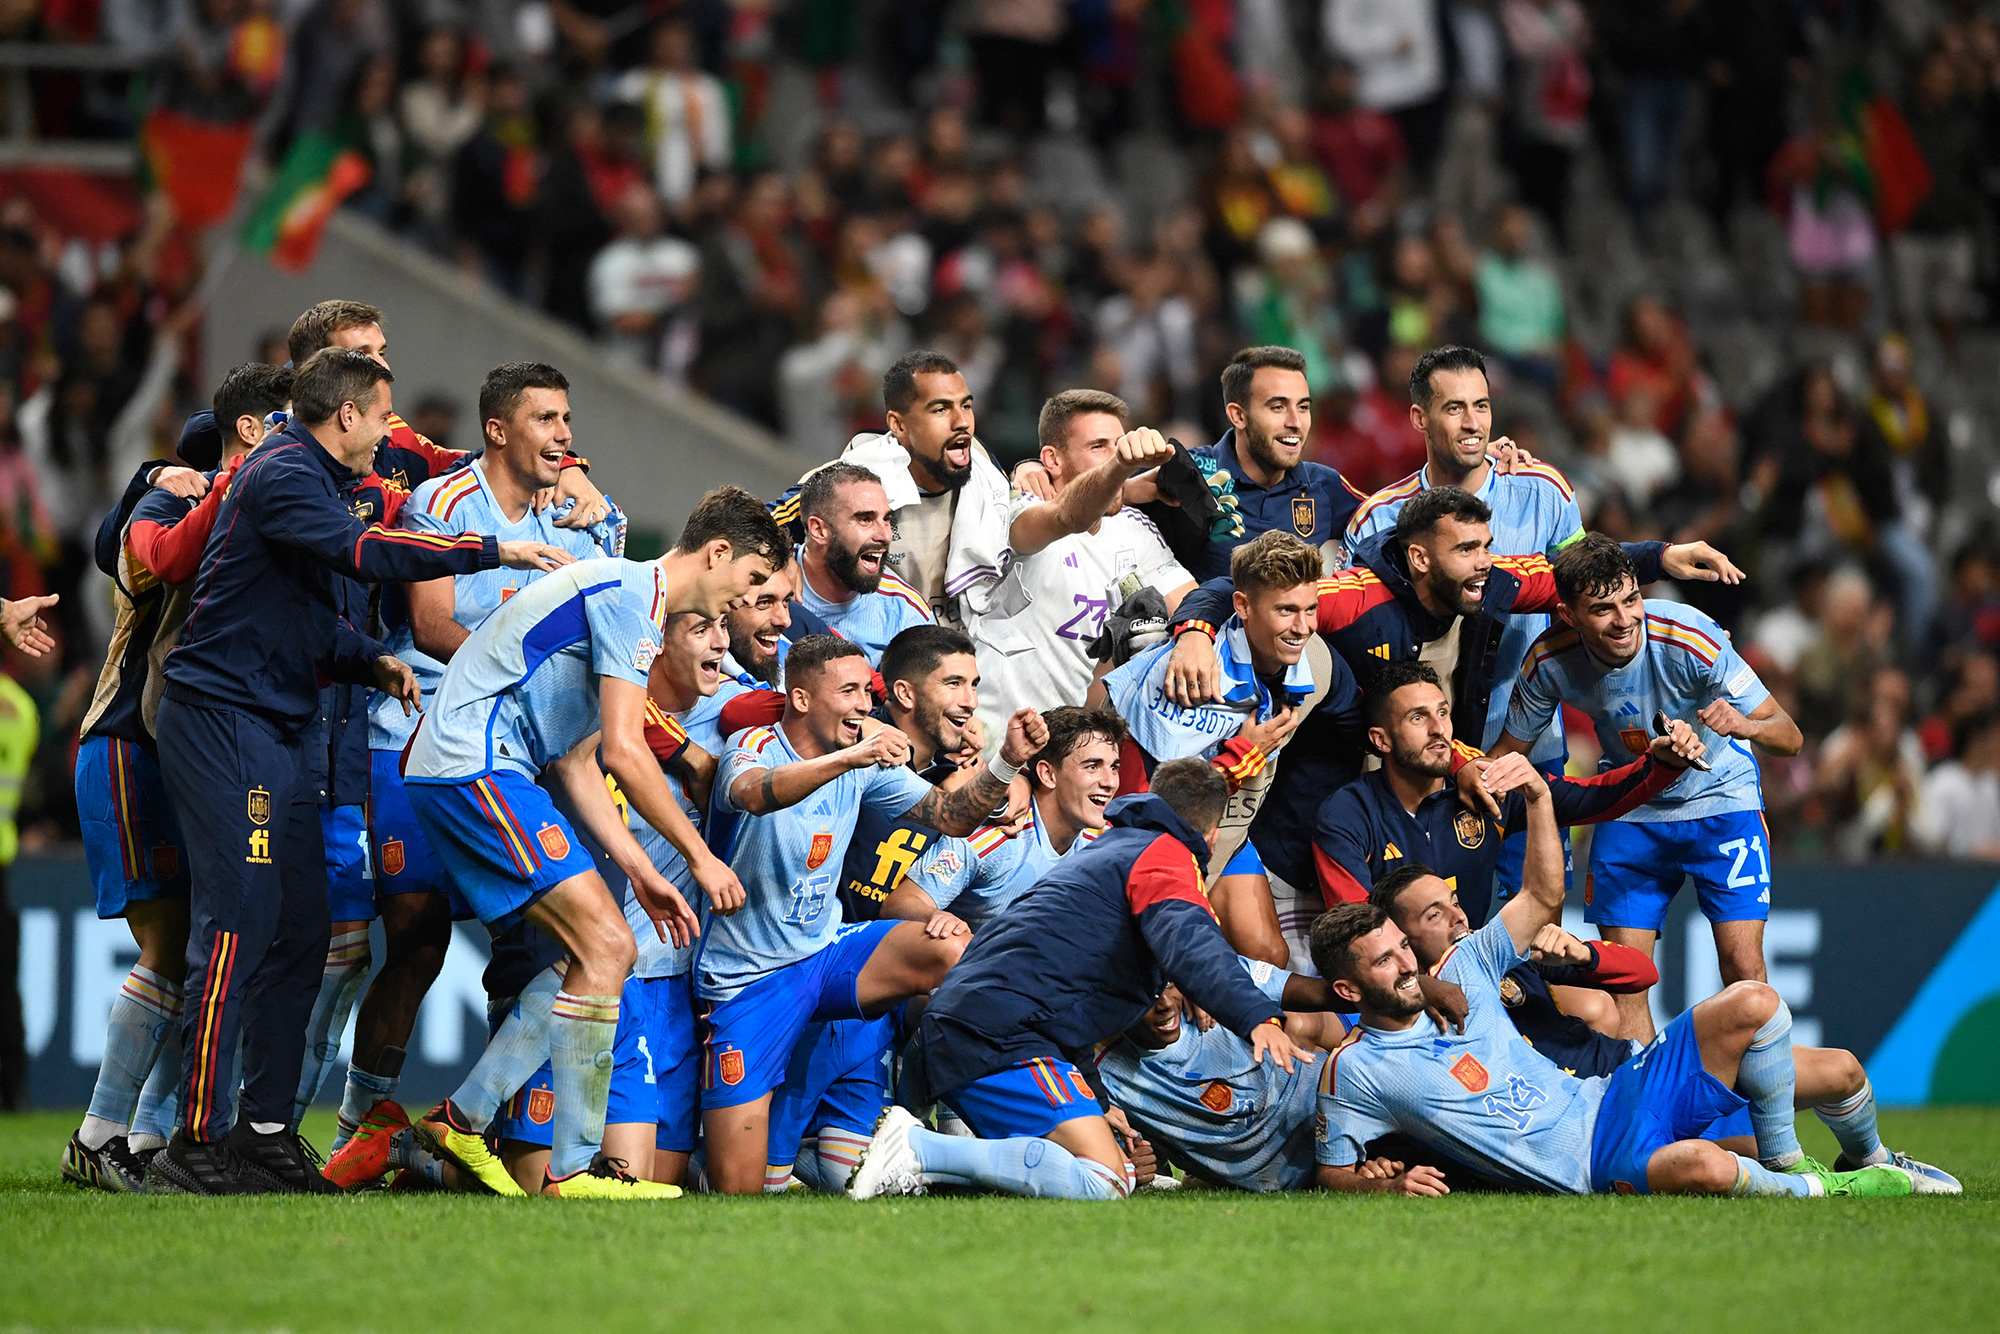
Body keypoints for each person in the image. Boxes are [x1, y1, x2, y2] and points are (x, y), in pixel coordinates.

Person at [143, 349, 573, 1198]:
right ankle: (191, 1143)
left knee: (302, 927)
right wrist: (491, 551)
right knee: (236, 926)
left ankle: (264, 1132)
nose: (390, 433)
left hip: (277, 723)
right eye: (382, 416)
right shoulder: (281, 473)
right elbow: (367, 552)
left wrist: (368, 659)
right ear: (345, 415)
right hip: (223, 720)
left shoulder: (310, 484)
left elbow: (298, 615)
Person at [1308, 766, 1958, 1197]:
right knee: (1715, 1161)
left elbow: (1569, 916)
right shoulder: (1359, 1069)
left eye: (1402, 947)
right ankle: (1836, 1188)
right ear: (1349, 987)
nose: (1453, 914)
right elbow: (1335, 1167)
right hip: (1594, 1153)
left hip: (1622, 1083)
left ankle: (1814, 1165)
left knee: (1770, 1012)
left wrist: (1539, 800)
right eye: (1417, 928)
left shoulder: (1473, 964)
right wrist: (1385, 1185)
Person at [1162, 490, 1736, 971]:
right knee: (1307, 975)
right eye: (1468, 549)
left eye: (1486, 546)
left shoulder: (1485, 588)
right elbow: (1251, 597)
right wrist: (1192, 630)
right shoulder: (1359, 597)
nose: (1486, 561)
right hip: (1304, 812)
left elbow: (1562, 575)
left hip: (1416, 790)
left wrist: (1660, 557)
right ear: (1418, 558)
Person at [401, 486, 782, 1199]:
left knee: (597, 948)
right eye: (754, 579)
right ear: (719, 552)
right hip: (474, 762)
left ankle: (463, 1119)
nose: (747, 599)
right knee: (608, 946)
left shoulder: (627, 598)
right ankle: (569, 1169)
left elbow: (581, 762)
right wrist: (700, 858)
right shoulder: (632, 593)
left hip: (473, 767)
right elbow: (628, 749)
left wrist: (639, 869)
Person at [318, 362, 627, 1180]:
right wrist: (524, 670)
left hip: (523, 759)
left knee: (537, 941)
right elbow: (428, 623)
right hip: (418, 741)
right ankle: (361, 1124)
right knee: (415, 938)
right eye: (546, 420)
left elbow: (612, 612)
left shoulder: (578, 518)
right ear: (498, 430)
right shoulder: (445, 506)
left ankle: (478, 1132)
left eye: (567, 418)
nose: (565, 435)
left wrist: (602, 517)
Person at [847, 760, 1307, 1202]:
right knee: (1104, 1179)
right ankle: (918, 1149)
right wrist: (1257, 1018)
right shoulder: (1163, 856)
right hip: (999, 1034)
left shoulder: (1112, 847)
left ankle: (923, 1165)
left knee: (1106, 1169)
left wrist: (1097, 1097)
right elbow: (1192, 943)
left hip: (980, 1027)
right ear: (1211, 831)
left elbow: (1071, 992)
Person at [697, 634, 1044, 1194]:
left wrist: (1007, 763)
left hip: (826, 951)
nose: (865, 704)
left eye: (868, 691)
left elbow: (951, 815)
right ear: (804, 698)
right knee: (740, 1188)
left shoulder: (864, 763)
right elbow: (757, 793)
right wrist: (849, 758)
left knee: (951, 951)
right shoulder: (753, 743)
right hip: (747, 977)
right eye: (851, 692)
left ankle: (946, 1111)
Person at [1490, 535, 1802, 1041]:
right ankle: (1647, 1118)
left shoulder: (1691, 635)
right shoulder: (1548, 660)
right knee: (1625, 985)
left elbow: (1789, 735)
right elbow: (1507, 756)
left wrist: (1746, 728)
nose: (1624, 619)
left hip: (1720, 795)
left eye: (1630, 600)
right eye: (1603, 609)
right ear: (1567, 614)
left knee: (1745, 970)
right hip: (1632, 804)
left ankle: (1762, 1120)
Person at [1344, 344, 1584, 903]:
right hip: (1421, 768)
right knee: (1433, 939)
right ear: (1418, 418)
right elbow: (1356, 641)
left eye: (1481, 405)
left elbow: (1582, 596)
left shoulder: (1545, 492)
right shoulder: (1379, 519)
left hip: (1529, 753)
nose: (1473, 423)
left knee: (1538, 933)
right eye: (1454, 408)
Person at [1315, 660, 1702, 929]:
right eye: (1418, 718)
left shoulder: (1489, 789)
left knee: (1596, 1009)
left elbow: (1596, 797)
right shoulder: (1347, 814)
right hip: (1389, 986)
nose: (1439, 729)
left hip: (1478, 968)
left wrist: (1663, 763)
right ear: (1380, 740)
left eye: (1443, 713)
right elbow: (1358, 931)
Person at [974, 393, 1192, 746]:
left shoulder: (1133, 527)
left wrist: (1194, 635)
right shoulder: (1018, 510)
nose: (1118, 456)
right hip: (994, 739)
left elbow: (1190, 605)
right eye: (1098, 447)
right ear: (1052, 461)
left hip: (1068, 748)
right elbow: (1068, 515)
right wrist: (1119, 466)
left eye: (1119, 445)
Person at [771, 351, 1014, 627]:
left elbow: (1019, 510)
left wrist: (1029, 467)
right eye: (941, 409)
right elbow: (755, 523)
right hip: (886, 649)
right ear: (898, 425)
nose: (962, 422)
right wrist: (780, 556)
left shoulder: (984, 470)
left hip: (971, 646)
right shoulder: (854, 477)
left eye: (966, 406)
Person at [1094, 969, 1353, 1192]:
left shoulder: (1211, 978)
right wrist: (1129, 1164)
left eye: (1168, 984)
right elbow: (1120, 1156)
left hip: (1348, 1110)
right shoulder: (1101, 1073)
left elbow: (1318, 991)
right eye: (1146, 995)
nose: (1164, 1004)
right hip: (1292, 1175)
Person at [885, 705, 1128, 933]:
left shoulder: (1105, 843)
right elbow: (900, 904)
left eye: (1114, 767)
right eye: (1092, 766)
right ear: (1047, 774)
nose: (1110, 782)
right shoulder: (994, 837)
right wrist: (938, 920)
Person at [790, 463, 933, 663]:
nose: (885, 535)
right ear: (819, 530)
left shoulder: (906, 616)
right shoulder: (766, 576)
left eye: (886, 520)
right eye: (865, 520)